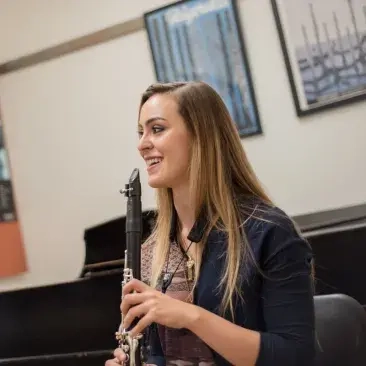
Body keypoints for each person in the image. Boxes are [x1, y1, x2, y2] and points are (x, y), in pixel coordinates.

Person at [105, 81, 315, 366]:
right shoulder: (151, 252)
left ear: (200, 136)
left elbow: (295, 356)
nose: (142, 145)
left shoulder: (269, 232)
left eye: (157, 129)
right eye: (141, 133)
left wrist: (191, 317)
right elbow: (159, 354)